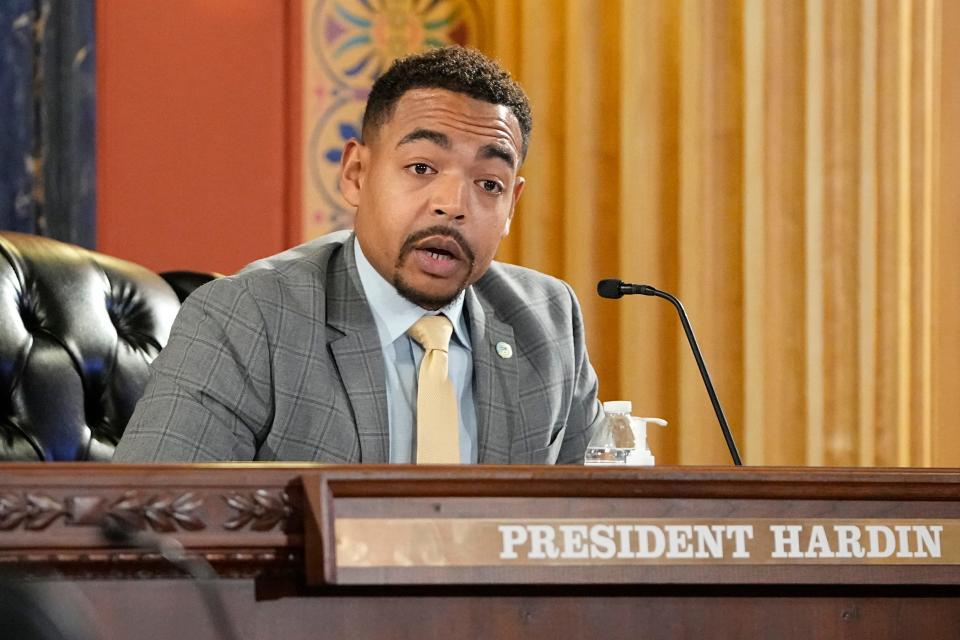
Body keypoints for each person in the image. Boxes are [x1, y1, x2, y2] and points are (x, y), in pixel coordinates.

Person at [114, 46, 604, 464]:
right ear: (356, 173)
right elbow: (150, 528)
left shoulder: (548, 319)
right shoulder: (249, 318)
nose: (453, 205)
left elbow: (601, 524)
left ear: (511, 205)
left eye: (488, 184)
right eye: (421, 167)